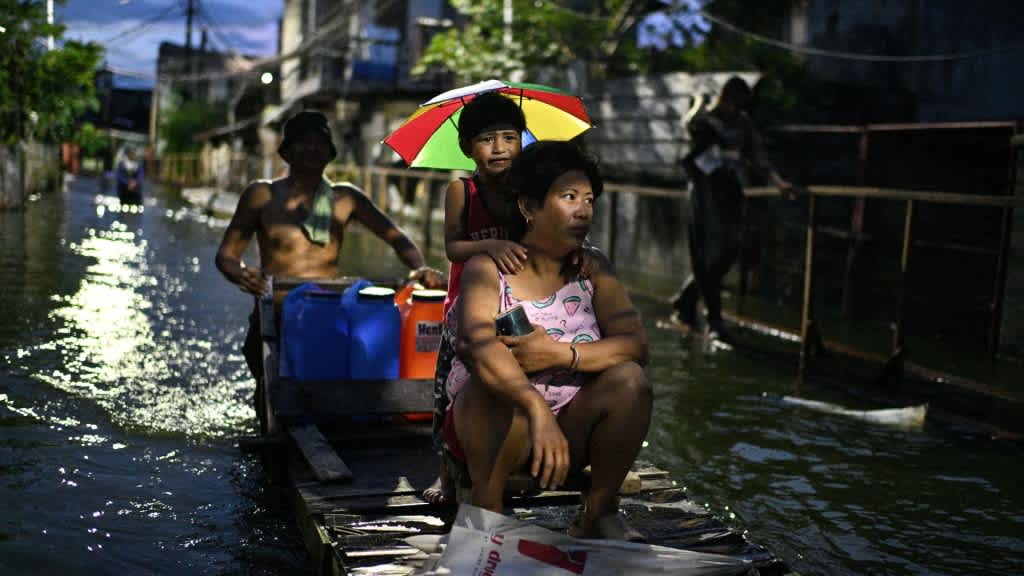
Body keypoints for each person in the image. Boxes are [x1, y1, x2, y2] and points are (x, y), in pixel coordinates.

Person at [446, 141, 652, 540]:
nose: (583, 211)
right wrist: (535, 408)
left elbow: (635, 346)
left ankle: (599, 512)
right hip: (499, 430)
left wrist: (560, 354)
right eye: (569, 197)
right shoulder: (487, 268)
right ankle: (486, 512)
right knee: (487, 388)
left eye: (589, 199)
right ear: (529, 206)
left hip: (571, 431)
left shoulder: (594, 269)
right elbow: (476, 345)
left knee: (630, 381)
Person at [214, 110, 443, 430]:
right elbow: (226, 256)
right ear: (287, 150)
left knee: (329, 398)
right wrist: (241, 273)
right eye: (303, 143)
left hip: (326, 318)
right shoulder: (262, 194)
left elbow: (396, 237)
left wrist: (420, 268)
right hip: (275, 314)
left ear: (329, 151)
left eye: (319, 143)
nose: (312, 149)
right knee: (269, 397)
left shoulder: (344, 199)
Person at [423, 92, 528, 505]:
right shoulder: (461, 191)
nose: (499, 148)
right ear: (468, 148)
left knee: (518, 376)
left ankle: (510, 457)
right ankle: (447, 475)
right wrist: (491, 247)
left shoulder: (528, 191)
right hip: (465, 307)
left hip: (517, 303)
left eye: (509, 137)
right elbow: (452, 247)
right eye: (487, 140)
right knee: (448, 389)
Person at [670, 76, 792, 339]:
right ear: (724, 97)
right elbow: (689, 129)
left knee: (729, 250)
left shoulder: (742, 122)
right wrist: (701, 105)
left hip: (730, 192)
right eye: (733, 103)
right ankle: (713, 318)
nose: (736, 109)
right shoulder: (702, 120)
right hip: (704, 193)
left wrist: (778, 181)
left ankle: (687, 298)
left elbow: (757, 155)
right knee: (706, 252)